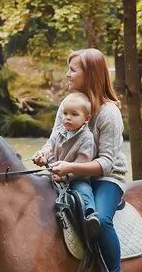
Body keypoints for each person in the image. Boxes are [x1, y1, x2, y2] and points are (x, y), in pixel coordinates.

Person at [32, 49, 128, 272]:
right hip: (68, 172)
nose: (68, 74)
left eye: (73, 69)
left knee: (102, 219)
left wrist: (70, 167)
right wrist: (44, 154)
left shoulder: (109, 114)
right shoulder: (69, 104)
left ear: (90, 74)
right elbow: (54, 140)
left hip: (105, 179)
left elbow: (107, 164)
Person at [32, 90, 100, 239]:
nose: (68, 118)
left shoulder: (87, 139)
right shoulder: (59, 131)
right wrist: (42, 156)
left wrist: (65, 176)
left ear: (87, 118)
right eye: (65, 113)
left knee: (83, 190)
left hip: (75, 177)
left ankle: (90, 214)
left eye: (74, 114)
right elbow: (50, 147)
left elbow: (82, 163)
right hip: (54, 174)